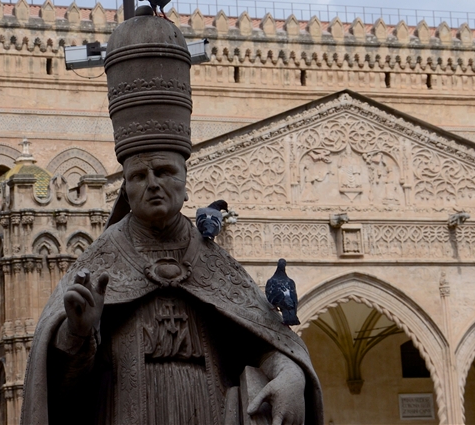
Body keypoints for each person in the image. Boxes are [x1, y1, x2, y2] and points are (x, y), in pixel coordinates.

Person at [21, 150, 322, 425]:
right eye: (139, 176)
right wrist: (78, 333)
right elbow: (57, 390)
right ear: (125, 188)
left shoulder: (215, 263)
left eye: (164, 171)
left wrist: (290, 374)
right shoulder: (100, 262)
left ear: (185, 182)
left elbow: (263, 343)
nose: (152, 183)